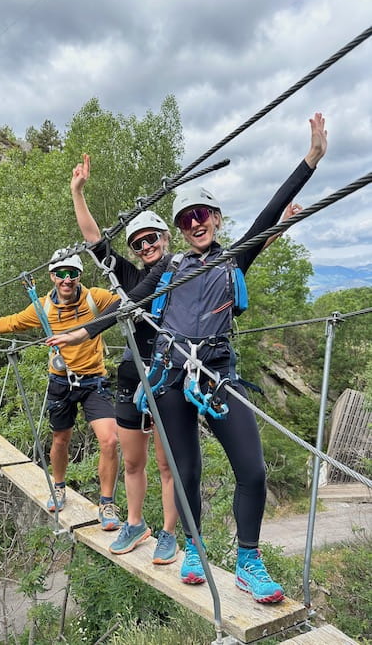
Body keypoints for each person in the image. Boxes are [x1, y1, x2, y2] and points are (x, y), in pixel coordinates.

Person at [48, 113, 327, 602]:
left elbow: (268, 214)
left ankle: (248, 560)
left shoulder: (233, 258)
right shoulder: (168, 269)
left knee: (252, 470)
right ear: (180, 229)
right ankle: (196, 549)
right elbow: (130, 304)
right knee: (186, 472)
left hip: (218, 374)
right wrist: (81, 334)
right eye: (187, 218)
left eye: (203, 215)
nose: (195, 222)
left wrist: (311, 159)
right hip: (172, 378)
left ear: (216, 220)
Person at [0, 251, 121, 531]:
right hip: (61, 382)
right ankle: (59, 487)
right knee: (60, 439)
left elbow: (128, 301)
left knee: (109, 440)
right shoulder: (43, 308)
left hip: (93, 381)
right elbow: (8, 323)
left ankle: (107, 503)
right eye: (60, 274)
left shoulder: (94, 298)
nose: (66, 279)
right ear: (52, 276)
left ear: (79, 276)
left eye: (72, 273)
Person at [70, 154, 180, 564]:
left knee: (168, 464)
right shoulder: (129, 278)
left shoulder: (182, 271)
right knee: (133, 460)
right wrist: (77, 193)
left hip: (168, 374)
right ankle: (136, 523)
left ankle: (169, 533)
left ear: (165, 239)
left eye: (152, 239)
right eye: (139, 243)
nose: (146, 246)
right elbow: (95, 243)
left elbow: (232, 261)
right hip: (133, 375)